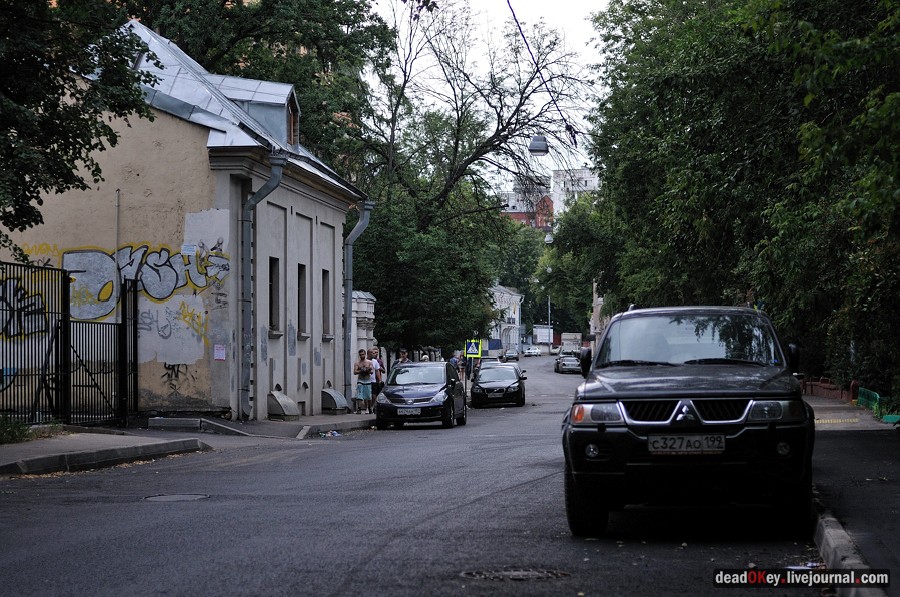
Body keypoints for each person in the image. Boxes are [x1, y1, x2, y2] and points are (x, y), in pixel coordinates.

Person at [353, 349, 374, 414]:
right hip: (360, 380)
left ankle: (370, 408)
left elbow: (371, 371)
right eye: (360, 355)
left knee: (368, 395)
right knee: (359, 395)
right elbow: (355, 372)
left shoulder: (369, 362)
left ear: (365, 354)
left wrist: (367, 370)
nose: (362, 356)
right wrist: (361, 370)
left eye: (363, 354)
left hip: (367, 380)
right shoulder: (357, 363)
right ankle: (359, 408)